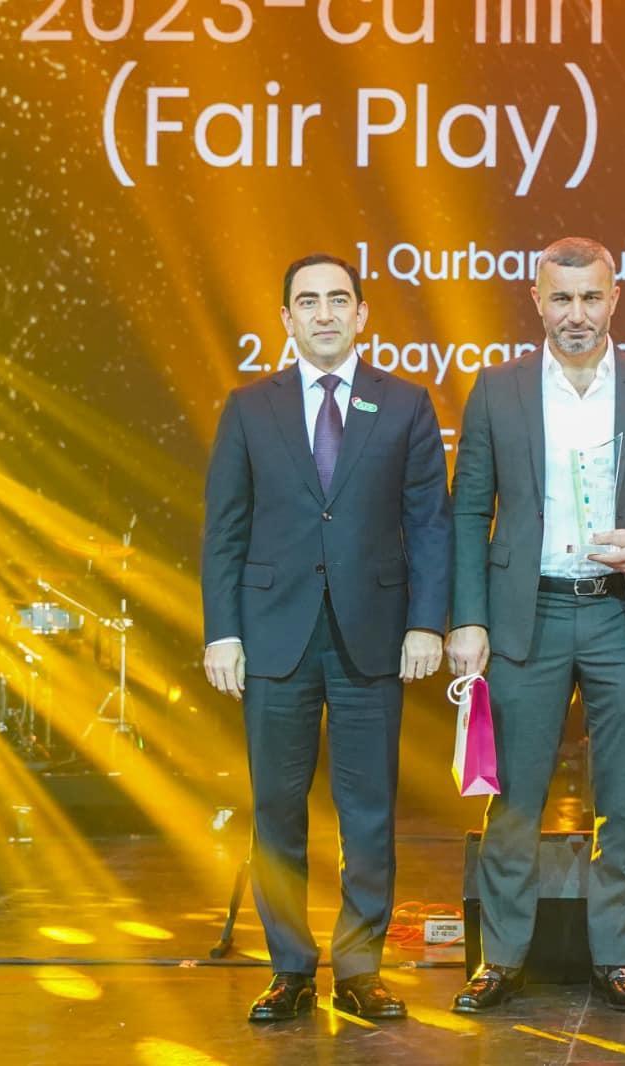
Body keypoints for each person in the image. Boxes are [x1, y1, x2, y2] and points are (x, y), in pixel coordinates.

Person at [446, 236, 625, 1014]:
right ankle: (501, 959)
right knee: (514, 800)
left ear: (614, 298)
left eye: (591, 297)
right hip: (525, 615)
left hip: (619, 613)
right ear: (537, 300)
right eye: (561, 298)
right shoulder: (496, 390)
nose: (577, 314)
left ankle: (615, 958)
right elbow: (468, 511)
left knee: (623, 802)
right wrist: (468, 619)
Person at [202, 252, 451, 1022]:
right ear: (286, 318)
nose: (324, 314)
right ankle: (289, 969)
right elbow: (224, 532)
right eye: (307, 302)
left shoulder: (404, 404)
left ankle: (359, 969)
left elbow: (430, 525)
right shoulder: (250, 408)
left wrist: (426, 621)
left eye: (338, 299)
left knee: (368, 809)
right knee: (277, 810)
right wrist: (223, 633)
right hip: (273, 638)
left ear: (362, 313)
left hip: (371, 634)